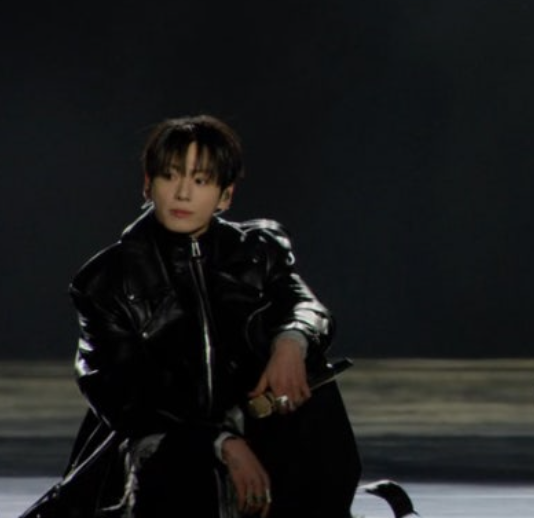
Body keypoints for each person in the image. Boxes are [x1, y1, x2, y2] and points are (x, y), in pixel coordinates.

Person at [22, 115, 362, 518]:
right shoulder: (106, 281)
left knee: (312, 375)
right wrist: (219, 442)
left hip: (254, 423)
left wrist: (291, 342)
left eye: (200, 181)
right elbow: (121, 394)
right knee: (174, 458)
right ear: (148, 185)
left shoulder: (256, 252)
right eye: (170, 176)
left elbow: (307, 308)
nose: (183, 193)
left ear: (225, 196)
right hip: (167, 443)